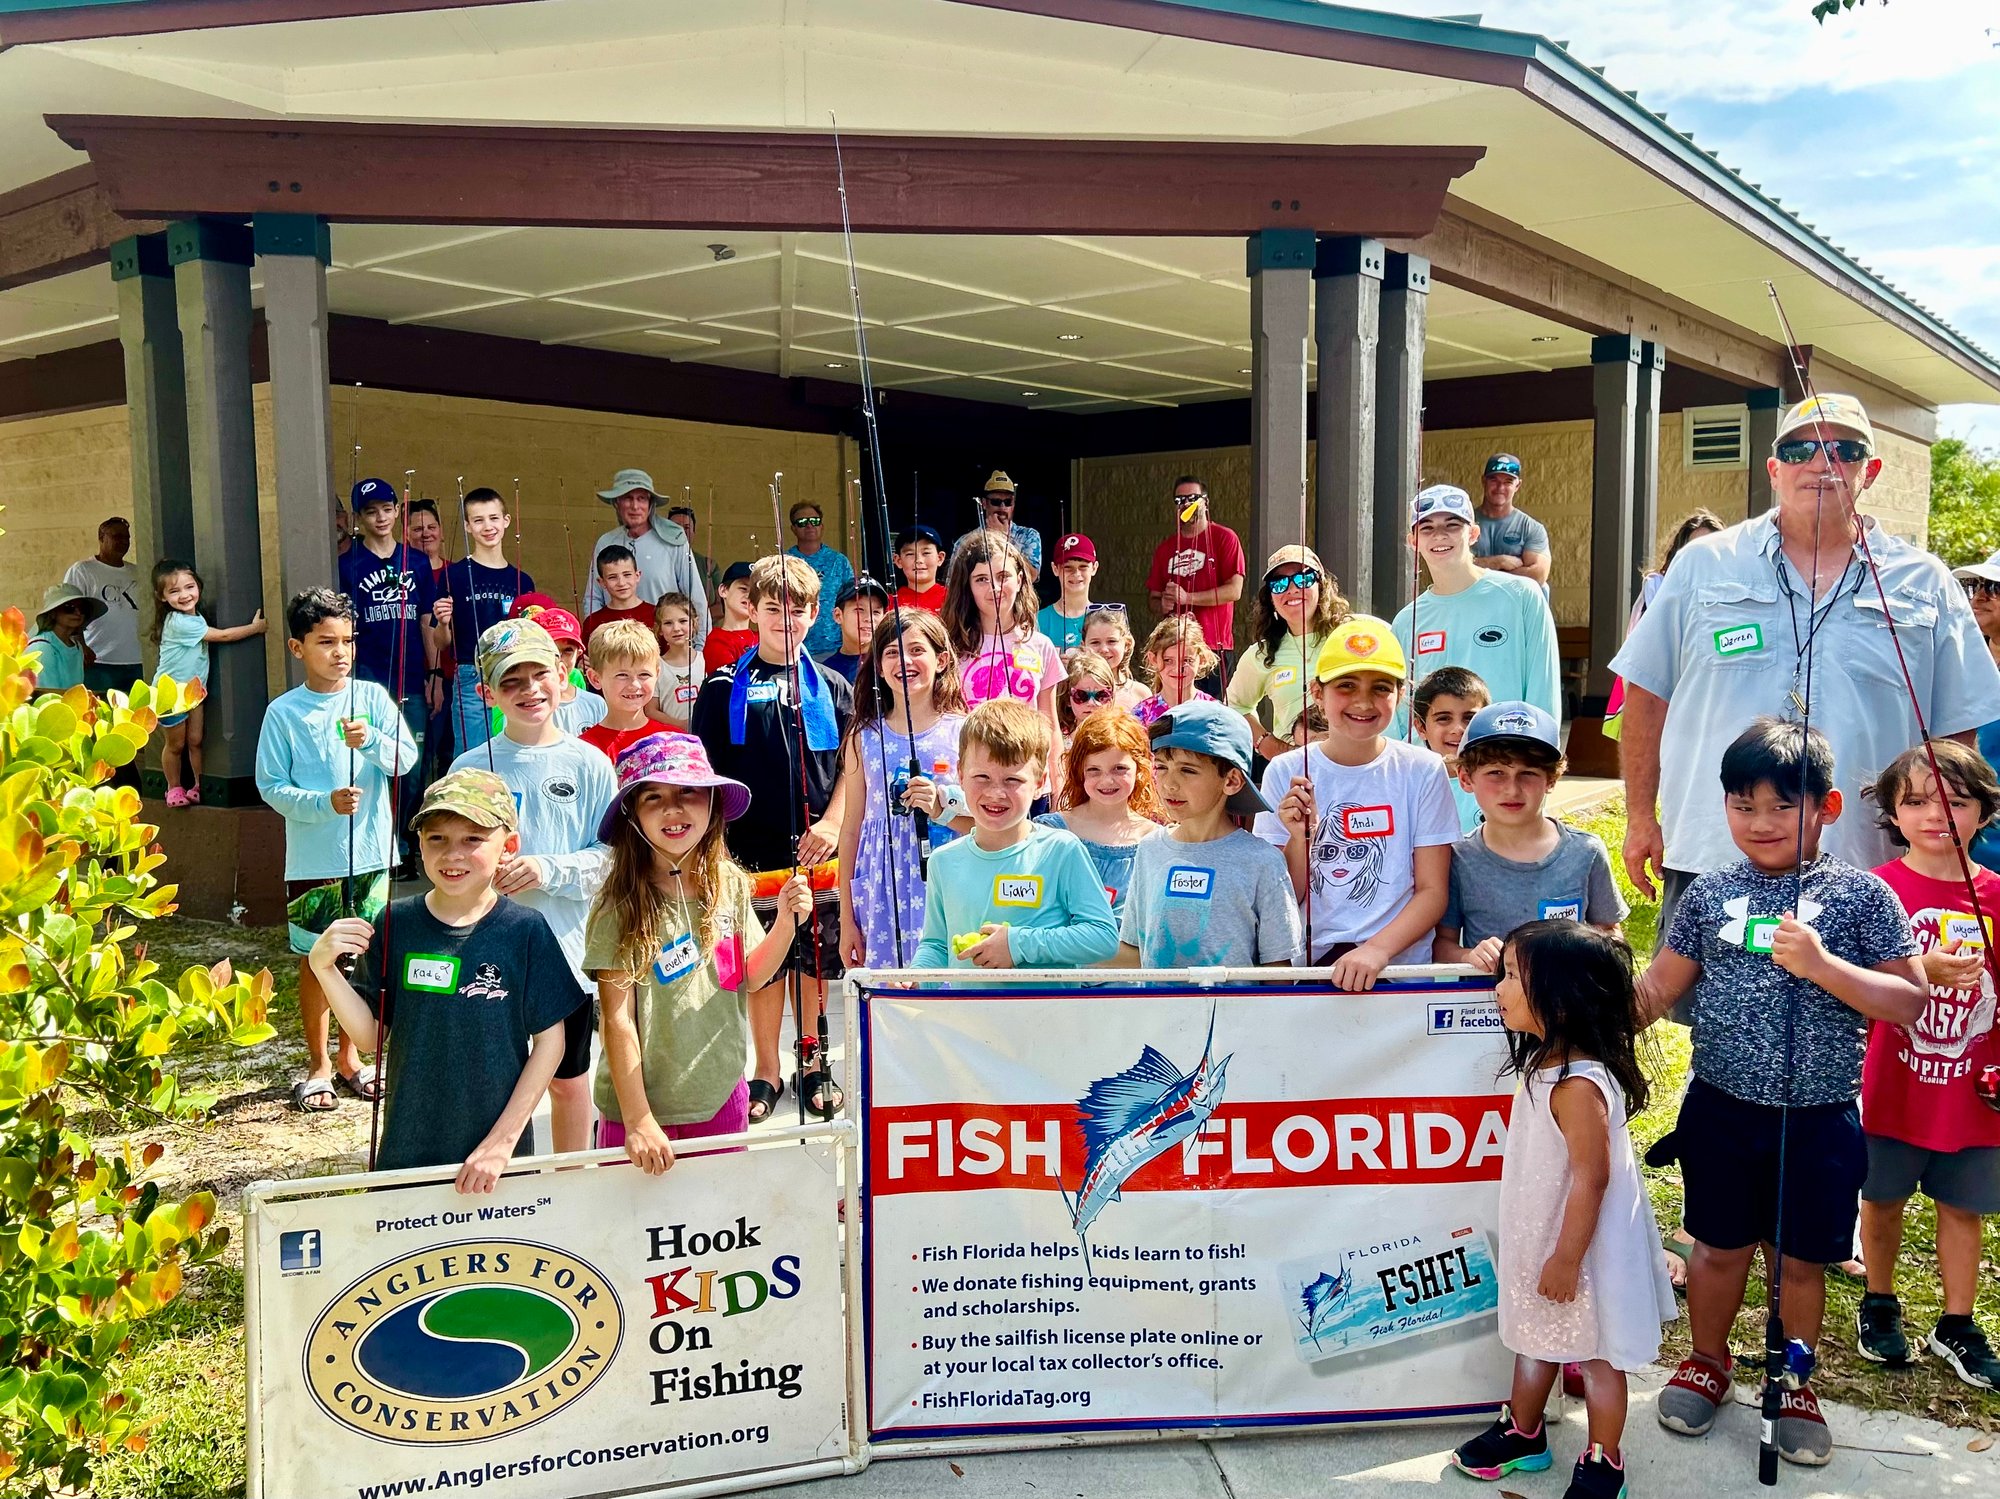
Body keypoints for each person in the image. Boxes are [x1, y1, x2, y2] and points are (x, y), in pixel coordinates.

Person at [1636, 718, 1925, 1466]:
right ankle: (1708, 1359)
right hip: (1722, 1108)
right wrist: (1578, 1014)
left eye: (1780, 805)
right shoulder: (1708, 893)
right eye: (1743, 804)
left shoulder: (1863, 898)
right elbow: (1658, 988)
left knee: (1800, 1260)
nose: (1759, 822)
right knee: (1718, 1246)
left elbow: (1906, 1001)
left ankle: (1796, 1380)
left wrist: (1824, 964)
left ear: (1827, 808)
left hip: (1823, 1115)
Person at [1614, 394, 2000, 928]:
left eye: (1844, 449)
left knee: (1862, 1010)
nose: (1821, 462)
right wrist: (1639, 818)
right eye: (1800, 450)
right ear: (1774, 470)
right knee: (1714, 1012)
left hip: (1870, 861)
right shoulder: (1703, 563)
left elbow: (1957, 734)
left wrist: (1946, 842)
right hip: (1714, 847)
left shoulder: (1926, 581)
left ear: (1871, 470)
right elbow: (1647, 695)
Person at [1449, 922, 1674, 1497]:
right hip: (1542, 1232)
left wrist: (1567, 1259)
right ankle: (1524, 1432)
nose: (1498, 989)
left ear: (1562, 997)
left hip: (1581, 1247)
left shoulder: (1577, 1085)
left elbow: (1592, 1178)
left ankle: (1605, 1460)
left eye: (1514, 979)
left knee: (1597, 1354)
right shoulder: (1546, 1063)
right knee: (1534, 1334)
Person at [307, 769, 586, 1186]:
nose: (452, 854)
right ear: (419, 844)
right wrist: (323, 968)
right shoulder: (395, 922)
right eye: (437, 838)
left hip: (498, 1162)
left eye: (473, 839)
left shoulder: (526, 929)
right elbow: (369, 1038)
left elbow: (551, 1043)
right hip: (407, 1150)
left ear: (507, 847)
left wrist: (502, 1142)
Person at [586, 734, 814, 1170]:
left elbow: (748, 976)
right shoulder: (618, 902)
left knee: (719, 1223)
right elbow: (617, 1017)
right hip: (636, 1111)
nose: (673, 809)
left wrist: (786, 922)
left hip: (721, 1098)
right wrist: (638, 1121)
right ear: (632, 815)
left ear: (712, 804)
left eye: (688, 792)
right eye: (653, 797)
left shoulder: (728, 882)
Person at [1854, 741, 2000, 1385]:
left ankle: (1958, 1323)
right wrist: (1920, 970)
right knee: (1880, 1200)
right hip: (1890, 1083)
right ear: (1891, 811)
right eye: (1915, 801)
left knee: (1961, 1207)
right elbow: (1847, 980)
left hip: (1972, 1089)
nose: (1936, 814)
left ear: (1984, 813)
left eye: (1956, 800)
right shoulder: (1874, 892)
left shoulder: (1996, 893)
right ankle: (1879, 1302)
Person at [691, 554, 852, 1121]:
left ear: (815, 615)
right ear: (751, 609)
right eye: (773, 606)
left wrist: (832, 823)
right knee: (763, 964)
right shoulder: (721, 687)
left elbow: (851, 771)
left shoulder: (833, 686)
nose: (787, 616)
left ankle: (813, 1060)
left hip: (817, 856)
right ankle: (765, 1068)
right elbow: (704, 775)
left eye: (799, 608)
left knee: (813, 960)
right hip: (747, 854)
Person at [449, 618, 614, 1155]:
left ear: (564, 677)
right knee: (490, 1086)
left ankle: (570, 1189)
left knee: (568, 1085)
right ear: (487, 692)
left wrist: (549, 870)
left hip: (566, 955)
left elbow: (612, 860)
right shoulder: (466, 769)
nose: (529, 690)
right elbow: (448, 859)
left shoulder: (591, 763)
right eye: (510, 681)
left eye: (538, 674)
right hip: (486, 955)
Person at [255, 588, 417, 1115]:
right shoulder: (283, 713)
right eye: (326, 642)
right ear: (298, 647)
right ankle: (318, 1067)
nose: (340, 652)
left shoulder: (371, 699)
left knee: (362, 958)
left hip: (371, 855)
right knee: (315, 958)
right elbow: (270, 785)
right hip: (313, 860)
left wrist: (370, 741)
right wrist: (323, 803)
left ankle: (352, 1060)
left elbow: (405, 760)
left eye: (347, 640)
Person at [1253, 617, 1457, 988]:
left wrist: (1376, 951)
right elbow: (1279, 896)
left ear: (1399, 694)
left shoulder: (1424, 770)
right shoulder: (1283, 771)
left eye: (1381, 688)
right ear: (1317, 692)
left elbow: (1432, 891)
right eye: (1346, 686)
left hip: (1400, 972)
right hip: (1308, 972)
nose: (1364, 702)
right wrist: (1299, 839)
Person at [912, 700, 1119, 969]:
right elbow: (936, 945)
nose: (996, 793)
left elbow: (1102, 937)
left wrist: (1018, 945)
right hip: (964, 1011)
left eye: (1013, 780)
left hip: (1044, 1011)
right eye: (982, 777)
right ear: (960, 775)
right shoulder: (943, 861)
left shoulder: (1061, 850)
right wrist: (914, 978)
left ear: (1039, 782)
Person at [1433, 702, 1625, 971]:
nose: (1512, 789)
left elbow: (1610, 932)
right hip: (1484, 1006)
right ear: (1465, 778)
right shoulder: (1457, 857)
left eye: (1528, 774)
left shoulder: (1586, 851)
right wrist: (1469, 956)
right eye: (1496, 773)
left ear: (1551, 779)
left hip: (1566, 1004)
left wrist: (1587, 953)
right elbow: (1442, 944)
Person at [1113, 702, 1298, 969]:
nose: (1169, 783)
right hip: (1157, 1011)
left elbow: (1277, 970)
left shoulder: (1263, 861)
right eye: (1162, 767)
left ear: (1232, 781)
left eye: (1188, 770)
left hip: (1233, 1010)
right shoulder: (1148, 849)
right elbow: (1133, 951)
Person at [837, 610, 970, 970]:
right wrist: (846, 918)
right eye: (892, 652)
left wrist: (943, 807)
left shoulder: (965, 731)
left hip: (948, 883)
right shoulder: (862, 736)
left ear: (941, 660)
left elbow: (983, 822)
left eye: (916, 650)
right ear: (878, 666)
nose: (905, 661)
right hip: (881, 888)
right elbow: (850, 828)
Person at [1390, 484, 1559, 739]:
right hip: (1430, 775)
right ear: (1413, 541)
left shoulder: (1522, 596)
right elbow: (1401, 713)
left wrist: (1537, 760)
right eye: (1427, 528)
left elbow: (1542, 692)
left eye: (1452, 525)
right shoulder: (1406, 621)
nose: (1439, 535)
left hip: (1500, 767)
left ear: (1473, 534)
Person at [339, 477, 446, 871]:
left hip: (413, 679)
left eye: (386, 509)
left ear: (397, 512)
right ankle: (379, 847)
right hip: (367, 680)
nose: (380, 517)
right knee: (373, 764)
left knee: (412, 766)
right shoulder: (348, 565)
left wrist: (434, 674)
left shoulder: (416, 562)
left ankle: (401, 841)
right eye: (371, 511)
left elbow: (425, 621)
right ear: (359, 517)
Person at [150, 559, 268, 806]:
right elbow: (222, 636)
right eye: (174, 591)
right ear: (162, 597)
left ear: (198, 586)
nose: (184, 595)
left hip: (194, 692)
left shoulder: (196, 618)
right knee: (176, 744)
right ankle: (173, 787)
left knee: (195, 740)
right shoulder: (179, 622)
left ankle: (197, 785)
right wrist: (256, 628)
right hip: (170, 694)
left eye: (189, 587)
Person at [1602, 508, 1725, 742]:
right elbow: (1641, 659)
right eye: (1694, 549)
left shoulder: (1736, 599)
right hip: (1667, 703)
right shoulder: (1657, 592)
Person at [1034, 707, 1162, 920]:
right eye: (1094, 770)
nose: (1107, 780)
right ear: (1080, 772)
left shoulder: (1154, 840)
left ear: (1139, 769)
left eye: (1119, 769)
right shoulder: (1051, 831)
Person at [1226, 545, 1348, 767]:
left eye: (1303, 579)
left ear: (1322, 586)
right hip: (1295, 772)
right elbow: (1235, 705)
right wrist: (1269, 744)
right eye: (1280, 583)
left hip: (1354, 764)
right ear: (1270, 598)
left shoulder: (1352, 635)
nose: (1292, 589)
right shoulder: (1260, 654)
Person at [435, 485, 529, 762]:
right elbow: (442, 643)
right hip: (469, 677)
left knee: (514, 755)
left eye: (493, 518)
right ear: (467, 527)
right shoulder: (453, 575)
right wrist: (442, 623)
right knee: (472, 757)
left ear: (506, 521)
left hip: (514, 673)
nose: (487, 526)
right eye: (478, 520)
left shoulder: (523, 579)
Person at [943, 534, 1062, 748]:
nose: (995, 587)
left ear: (1019, 580)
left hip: (1028, 772)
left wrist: (1057, 780)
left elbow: (1050, 727)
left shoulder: (1041, 646)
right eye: (982, 579)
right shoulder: (949, 647)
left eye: (1003, 576)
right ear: (967, 586)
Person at [580, 469, 712, 643]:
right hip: (616, 646)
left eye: (641, 498)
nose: (635, 506)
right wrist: (598, 641)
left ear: (650, 504)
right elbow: (593, 598)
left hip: (666, 645)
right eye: (628, 498)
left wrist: (700, 645)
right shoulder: (606, 542)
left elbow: (695, 596)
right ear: (616, 503)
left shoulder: (673, 540)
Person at [1146, 476, 1246, 693]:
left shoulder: (1224, 538)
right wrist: (1161, 603)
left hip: (1212, 646)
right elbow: (1153, 599)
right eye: (1179, 500)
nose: (1186, 504)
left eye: (1193, 498)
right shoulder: (1165, 548)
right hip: (1173, 648)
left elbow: (1234, 590)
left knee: (1211, 713)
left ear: (1205, 502)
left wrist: (1188, 597)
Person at [1954, 561, 2000, 873]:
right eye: (1975, 585)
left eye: (1994, 588)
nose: (1979, 597)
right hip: (1960, 849)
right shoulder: (1958, 661)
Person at [64, 515, 140, 694]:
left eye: (126, 537)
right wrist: (81, 646)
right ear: (101, 538)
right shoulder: (83, 570)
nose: (123, 542)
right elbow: (70, 609)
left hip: (137, 661)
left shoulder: (136, 571)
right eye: (116, 537)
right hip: (99, 661)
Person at [1412, 665, 1490, 835]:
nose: (1458, 729)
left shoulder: (1501, 783)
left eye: (1469, 718)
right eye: (1444, 718)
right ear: (1421, 728)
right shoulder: (1409, 786)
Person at [582, 620, 669, 762]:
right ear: (595, 679)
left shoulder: (674, 740)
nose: (634, 685)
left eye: (644, 675)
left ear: (657, 674)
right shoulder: (585, 749)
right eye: (622, 675)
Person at [783, 499, 855, 658]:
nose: (809, 525)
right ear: (793, 529)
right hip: (795, 648)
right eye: (802, 522)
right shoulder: (784, 562)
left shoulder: (839, 561)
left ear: (822, 526)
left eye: (814, 521)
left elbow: (852, 600)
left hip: (836, 648)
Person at [1470, 453, 1552, 589]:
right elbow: (1451, 568)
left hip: (1517, 607)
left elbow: (1538, 575)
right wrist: (1497, 562)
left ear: (1518, 485)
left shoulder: (1531, 527)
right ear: (1483, 481)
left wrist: (1477, 567)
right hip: (1474, 606)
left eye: (1508, 482)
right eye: (1494, 480)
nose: (1500, 488)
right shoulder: (1464, 524)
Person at [949, 470, 1043, 579]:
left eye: (1008, 502)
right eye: (996, 502)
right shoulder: (965, 542)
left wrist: (1003, 540)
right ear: (984, 503)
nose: (1002, 507)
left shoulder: (1029, 535)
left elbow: (1032, 576)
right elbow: (953, 581)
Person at [536, 607, 608, 738]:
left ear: (578, 654)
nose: (559, 659)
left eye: (568, 650)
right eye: (550, 650)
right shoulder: (528, 704)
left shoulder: (596, 704)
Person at [1133, 616, 1217, 727]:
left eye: (1187, 660)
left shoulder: (1215, 712)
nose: (1178, 669)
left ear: (1201, 659)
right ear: (1153, 659)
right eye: (1168, 660)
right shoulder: (1141, 715)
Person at [25, 584, 104, 693]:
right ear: (52, 613)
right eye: (69, 608)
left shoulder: (76, 646)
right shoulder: (42, 648)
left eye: (83, 608)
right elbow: (47, 695)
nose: (78, 613)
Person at [1038, 533, 1100, 659]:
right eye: (1068, 568)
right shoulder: (1038, 620)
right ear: (1055, 569)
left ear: (1094, 568)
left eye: (1083, 567)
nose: (1076, 574)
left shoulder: (1105, 618)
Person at [582, 544, 657, 646]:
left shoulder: (657, 615)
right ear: (602, 582)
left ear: (637, 576)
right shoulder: (593, 622)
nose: (621, 583)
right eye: (612, 577)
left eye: (627, 575)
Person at [653, 592, 705, 730]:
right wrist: (680, 725)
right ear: (659, 629)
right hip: (671, 738)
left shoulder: (705, 661)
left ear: (694, 623)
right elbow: (650, 710)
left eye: (683, 621)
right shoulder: (656, 666)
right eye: (668, 623)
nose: (676, 628)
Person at [1080, 606, 1147, 712]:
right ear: (1083, 647)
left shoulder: (1140, 693)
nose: (1104, 649)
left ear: (1127, 645)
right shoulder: (1075, 691)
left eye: (1111, 641)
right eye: (1095, 642)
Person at [821, 576, 887, 682]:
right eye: (859, 609)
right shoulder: (825, 672)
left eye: (876, 612)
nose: (869, 619)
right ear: (838, 615)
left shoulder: (891, 662)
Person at [703, 560, 760, 673]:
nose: (749, 596)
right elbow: (727, 686)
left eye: (755, 592)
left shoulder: (764, 636)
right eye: (743, 589)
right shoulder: (716, 640)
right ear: (723, 590)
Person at [1056, 653, 1122, 746]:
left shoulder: (1121, 739)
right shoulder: (1057, 741)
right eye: (1081, 696)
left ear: (1111, 697)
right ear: (1068, 699)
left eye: (1101, 696)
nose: (1092, 703)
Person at [665, 502, 720, 607]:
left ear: (693, 532)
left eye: (687, 527)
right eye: (676, 527)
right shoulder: (657, 562)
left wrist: (695, 620)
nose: (681, 531)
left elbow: (722, 606)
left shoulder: (708, 565)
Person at [894, 524, 947, 613]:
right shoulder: (889, 603)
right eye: (910, 554)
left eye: (926, 553)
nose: (918, 560)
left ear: (940, 558)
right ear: (898, 561)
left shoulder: (954, 599)